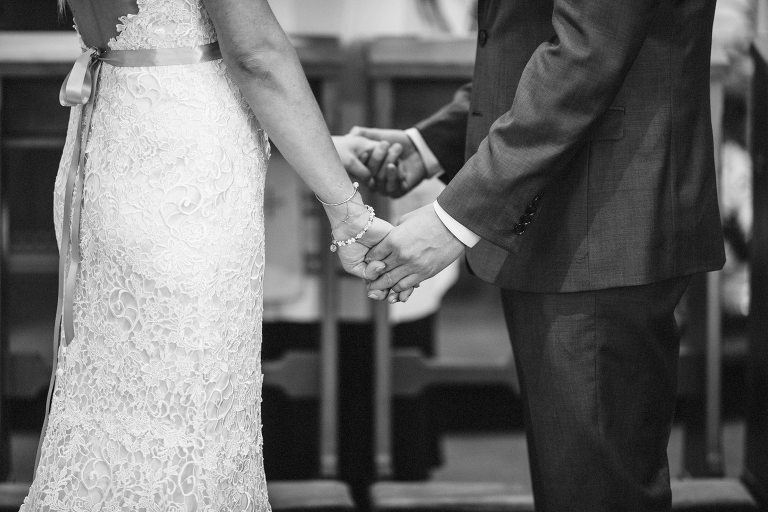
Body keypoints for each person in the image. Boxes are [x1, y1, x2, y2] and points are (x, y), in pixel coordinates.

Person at [20, 0, 405, 510]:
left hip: (119, 137)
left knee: (126, 402)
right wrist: (347, 210)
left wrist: (320, 147)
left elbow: (169, 57)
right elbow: (256, 55)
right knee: (187, 411)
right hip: (185, 181)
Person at [353, 1, 726, 510]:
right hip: (573, 212)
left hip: (601, 219)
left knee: (596, 495)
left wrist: (454, 218)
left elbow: (587, 55)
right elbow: (534, 41)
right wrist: (434, 143)